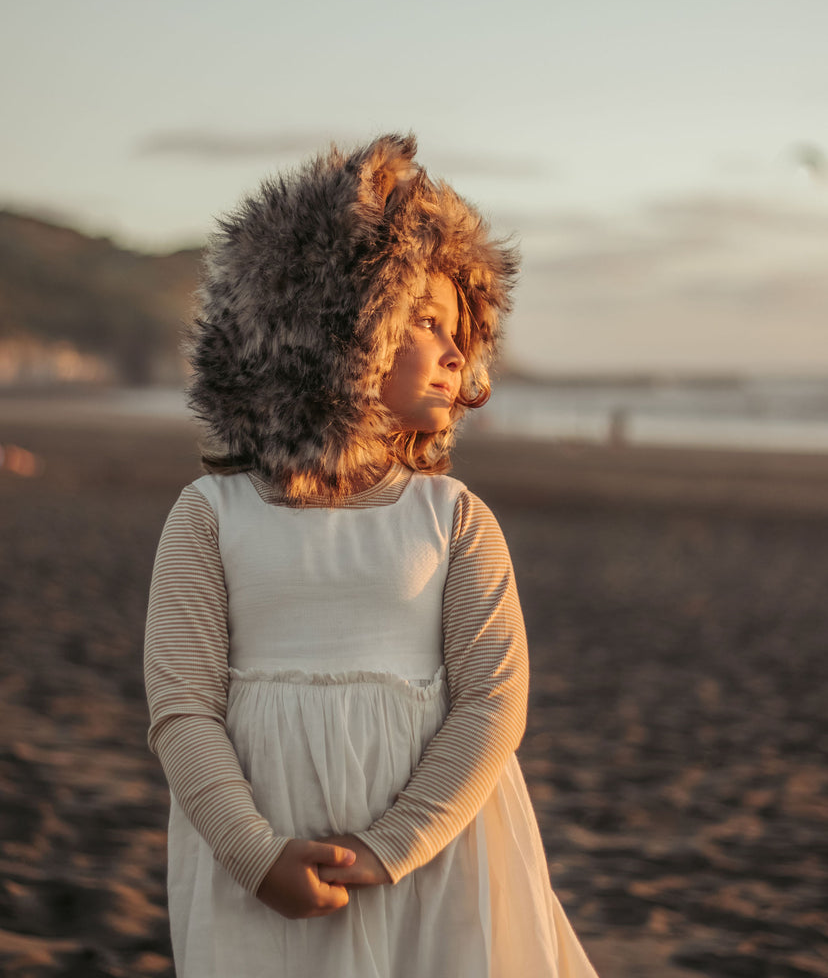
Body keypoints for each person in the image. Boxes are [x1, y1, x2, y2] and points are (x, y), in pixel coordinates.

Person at [144, 133, 599, 977]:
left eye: (462, 330)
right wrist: (253, 852)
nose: (456, 351)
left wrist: (392, 845)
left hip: (437, 859)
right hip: (260, 864)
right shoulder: (211, 515)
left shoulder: (454, 518)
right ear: (330, 325)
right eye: (425, 321)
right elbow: (181, 708)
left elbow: (494, 704)